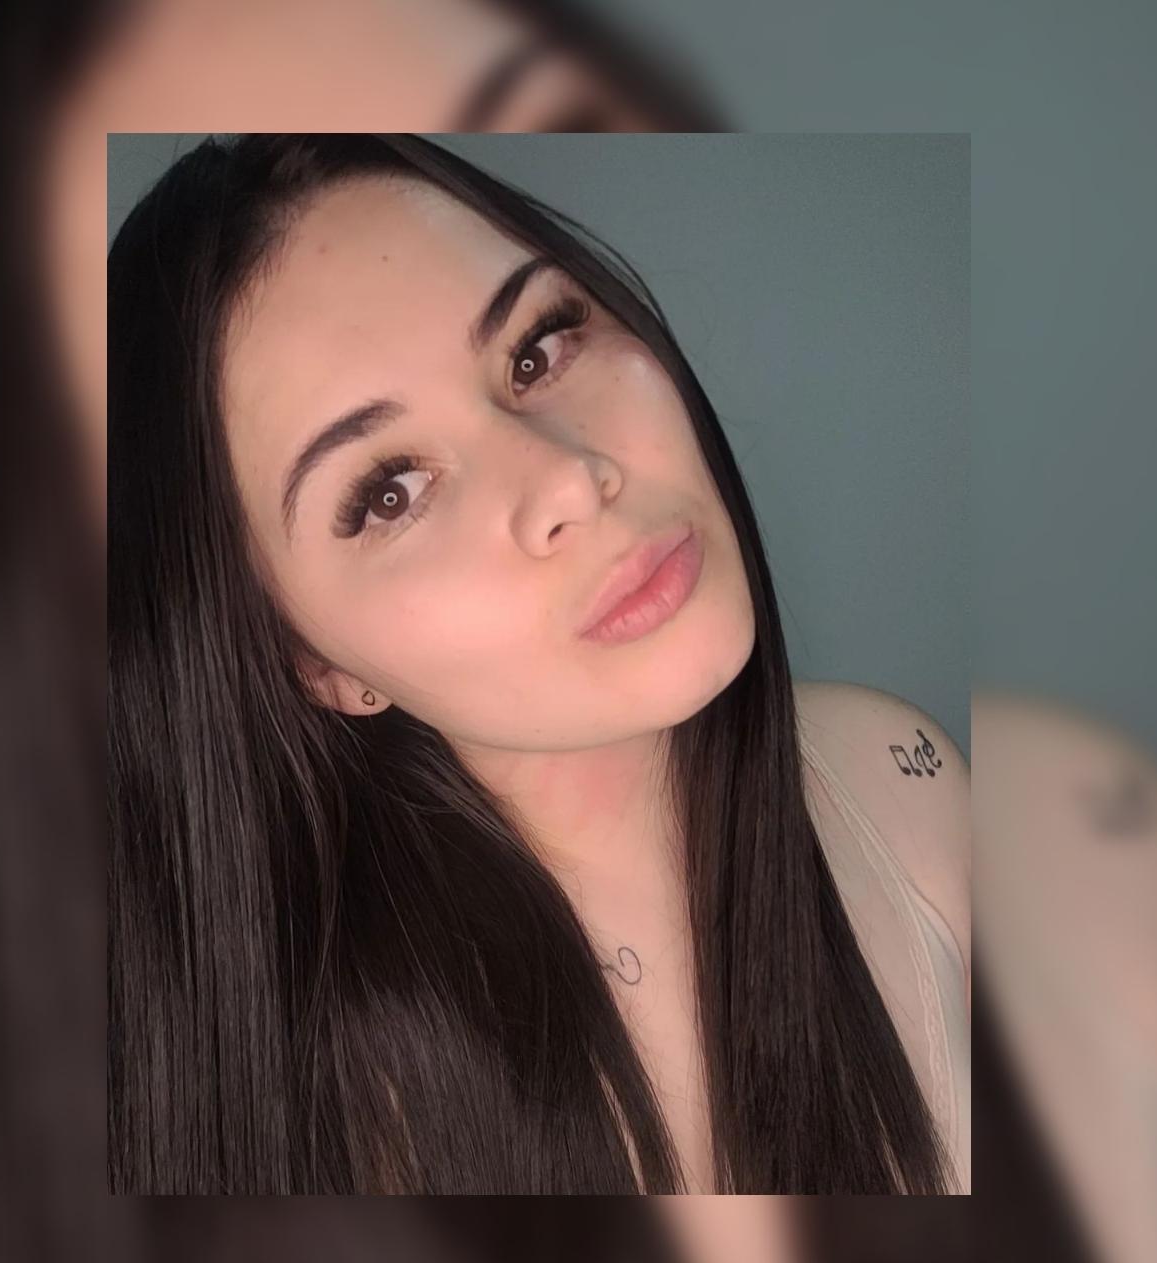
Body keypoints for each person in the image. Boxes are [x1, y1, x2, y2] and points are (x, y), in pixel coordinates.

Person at [108, 132, 969, 1194]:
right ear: (314, 666)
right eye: (389, 492)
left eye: (537, 348)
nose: (569, 476)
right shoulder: (307, 1134)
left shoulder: (898, 778)